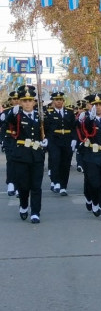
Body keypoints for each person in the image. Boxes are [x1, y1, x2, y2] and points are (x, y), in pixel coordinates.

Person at [6, 85, 46, 223]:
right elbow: (6, 123)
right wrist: (12, 112)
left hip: (37, 155)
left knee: (36, 185)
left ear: (34, 102)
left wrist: (46, 140)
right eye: (24, 100)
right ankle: (23, 205)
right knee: (23, 185)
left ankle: (35, 212)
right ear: (20, 102)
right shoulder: (16, 115)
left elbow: (49, 131)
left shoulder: (41, 115)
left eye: (30, 100)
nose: (27, 103)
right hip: (21, 155)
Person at [77, 93, 101, 221]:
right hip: (92, 156)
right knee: (94, 184)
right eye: (95, 105)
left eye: (100, 104)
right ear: (91, 106)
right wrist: (90, 117)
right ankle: (94, 202)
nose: (98, 107)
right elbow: (86, 129)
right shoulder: (87, 119)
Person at [43, 90, 76, 195]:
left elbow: (74, 127)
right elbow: (46, 128)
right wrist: (46, 139)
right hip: (54, 140)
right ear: (53, 101)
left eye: (60, 100)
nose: (58, 102)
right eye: (56, 100)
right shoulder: (49, 113)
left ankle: (63, 186)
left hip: (67, 140)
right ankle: (56, 182)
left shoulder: (69, 112)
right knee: (55, 160)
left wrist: (74, 139)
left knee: (65, 164)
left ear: (63, 101)